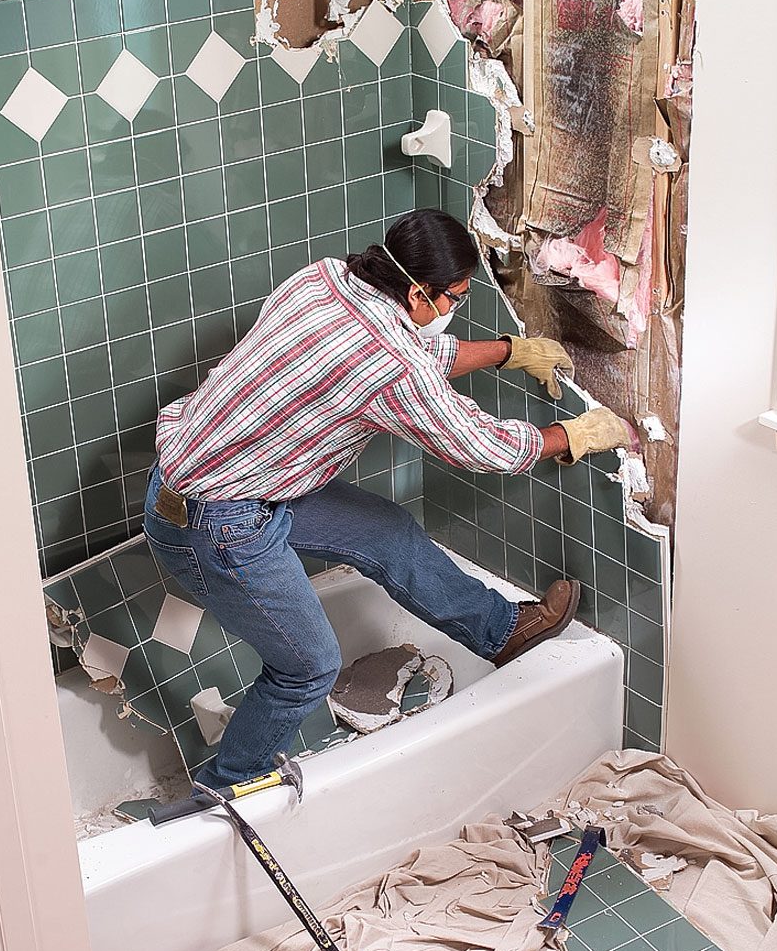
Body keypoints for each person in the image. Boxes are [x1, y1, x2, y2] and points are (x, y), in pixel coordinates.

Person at [144, 208, 633, 789]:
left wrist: (508, 350)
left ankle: (502, 632)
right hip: (215, 522)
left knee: (387, 533)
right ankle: (228, 787)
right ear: (417, 291)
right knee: (308, 667)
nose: (454, 308)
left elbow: (411, 351)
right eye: (451, 298)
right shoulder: (393, 362)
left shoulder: (323, 278)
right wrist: (570, 436)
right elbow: (482, 446)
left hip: (226, 476)